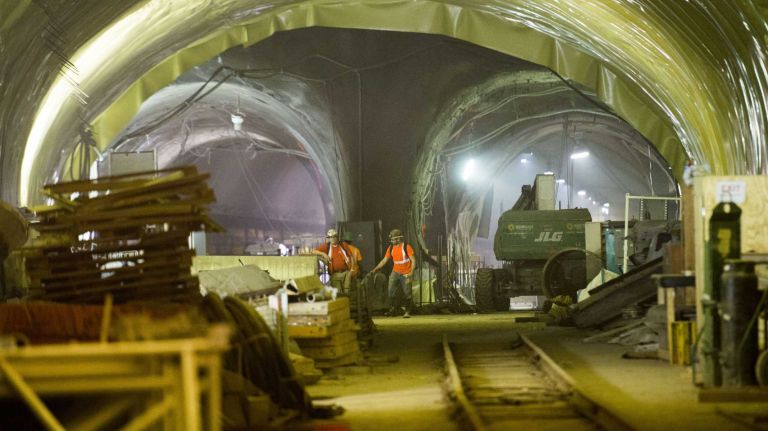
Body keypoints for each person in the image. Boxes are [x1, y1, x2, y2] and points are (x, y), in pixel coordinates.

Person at [371, 228, 416, 318]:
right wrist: (375, 269)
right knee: (390, 290)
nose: (391, 241)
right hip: (395, 272)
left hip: (406, 273)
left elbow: (413, 261)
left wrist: (411, 273)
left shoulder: (406, 247)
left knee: (407, 292)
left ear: (398, 239)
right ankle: (392, 310)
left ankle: (407, 311)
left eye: (393, 239)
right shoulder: (391, 248)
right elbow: (384, 260)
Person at [313, 229, 353, 294]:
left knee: (347, 292)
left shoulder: (343, 245)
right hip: (334, 275)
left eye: (334, 237)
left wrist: (352, 269)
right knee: (337, 293)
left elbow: (351, 257)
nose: (333, 239)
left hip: (345, 273)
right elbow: (314, 251)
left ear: (337, 237)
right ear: (329, 238)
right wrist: (324, 254)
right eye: (331, 237)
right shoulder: (327, 246)